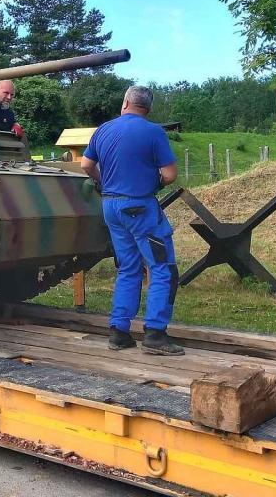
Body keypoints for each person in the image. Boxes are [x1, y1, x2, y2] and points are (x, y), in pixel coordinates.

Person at [80, 86, 183, 355]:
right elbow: (170, 174)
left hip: (111, 207)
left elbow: (86, 165)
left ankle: (119, 332)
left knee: (128, 268)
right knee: (162, 267)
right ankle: (155, 335)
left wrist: (104, 183)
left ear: (125, 102)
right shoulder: (153, 132)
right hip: (140, 208)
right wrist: (154, 182)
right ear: (147, 109)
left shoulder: (103, 129)